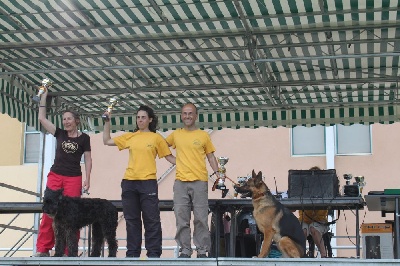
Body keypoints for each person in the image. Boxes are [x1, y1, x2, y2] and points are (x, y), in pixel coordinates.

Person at [102, 105, 175, 258]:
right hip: (129, 182)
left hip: (148, 182)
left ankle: (154, 253)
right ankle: (132, 254)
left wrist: (189, 162)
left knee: (151, 219)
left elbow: (169, 158)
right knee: (132, 220)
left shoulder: (156, 138)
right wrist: (107, 122)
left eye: (143, 117)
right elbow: (107, 141)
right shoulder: (131, 136)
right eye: (138, 117)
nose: (140, 120)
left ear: (150, 120)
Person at [35, 89, 92, 257]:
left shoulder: (84, 138)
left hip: (74, 178)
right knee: (48, 212)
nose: (66, 122)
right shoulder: (59, 133)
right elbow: (41, 118)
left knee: (71, 215)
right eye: (64, 119)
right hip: (56, 175)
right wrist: (43, 97)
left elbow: (88, 159)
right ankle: (43, 249)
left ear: (76, 121)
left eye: (69, 119)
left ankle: (69, 252)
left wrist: (88, 179)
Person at [165, 103, 222, 258]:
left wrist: (218, 174)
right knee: (181, 219)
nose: (187, 116)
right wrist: (175, 160)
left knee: (201, 218)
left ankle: (202, 250)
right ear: (181, 115)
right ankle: (185, 250)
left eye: (190, 113)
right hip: (180, 182)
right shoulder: (176, 134)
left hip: (200, 181)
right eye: (185, 113)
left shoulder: (203, 135)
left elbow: (210, 156)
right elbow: (161, 146)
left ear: (196, 116)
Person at [298, 166, 329, 258]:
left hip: (320, 220)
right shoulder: (302, 189)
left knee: (313, 229)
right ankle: (301, 255)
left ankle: (324, 256)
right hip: (304, 220)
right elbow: (292, 209)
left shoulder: (325, 189)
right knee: (302, 230)